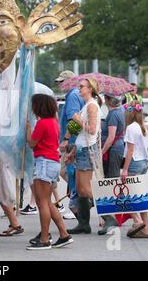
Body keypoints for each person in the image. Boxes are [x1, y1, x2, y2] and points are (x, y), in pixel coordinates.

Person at [26, 94, 73, 250]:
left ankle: (45, 239)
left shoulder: (42, 123)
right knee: (46, 202)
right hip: (52, 162)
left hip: (44, 162)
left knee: (42, 203)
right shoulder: (53, 122)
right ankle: (64, 233)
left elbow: (32, 143)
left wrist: (27, 131)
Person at [66, 78, 102, 235]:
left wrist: (77, 120)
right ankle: (83, 223)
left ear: (90, 89)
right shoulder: (86, 106)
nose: (78, 89)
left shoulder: (92, 106)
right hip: (81, 149)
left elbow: (92, 130)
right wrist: (71, 150)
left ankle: (109, 216)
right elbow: (78, 132)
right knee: (80, 189)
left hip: (88, 150)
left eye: (81, 87)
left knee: (86, 189)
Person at [56, 71, 85, 220]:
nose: (60, 84)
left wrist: (67, 140)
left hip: (72, 141)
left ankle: (78, 202)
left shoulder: (73, 96)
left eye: (62, 81)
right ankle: (79, 200)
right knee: (69, 173)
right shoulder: (75, 94)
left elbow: (74, 120)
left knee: (69, 172)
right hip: (75, 140)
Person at [122, 101, 148, 238]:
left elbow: (130, 150)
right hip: (144, 163)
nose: (125, 114)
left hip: (134, 162)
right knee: (141, 196)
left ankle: (138, 221)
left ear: (132, 113)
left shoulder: (131, 128)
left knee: (125, 193)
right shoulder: (143, 127)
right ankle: (147, 229)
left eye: (127, 111)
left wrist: (125, 169)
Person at [98, 93, 124, 235]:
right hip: (116, 149)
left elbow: (111, 137)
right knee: (112, 182)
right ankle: (112, 217)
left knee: (112, 182)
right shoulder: (119, 111)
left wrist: (101, 152)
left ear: (107, 100)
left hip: (113, 150)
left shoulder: (114, 114)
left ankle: (112, 218)